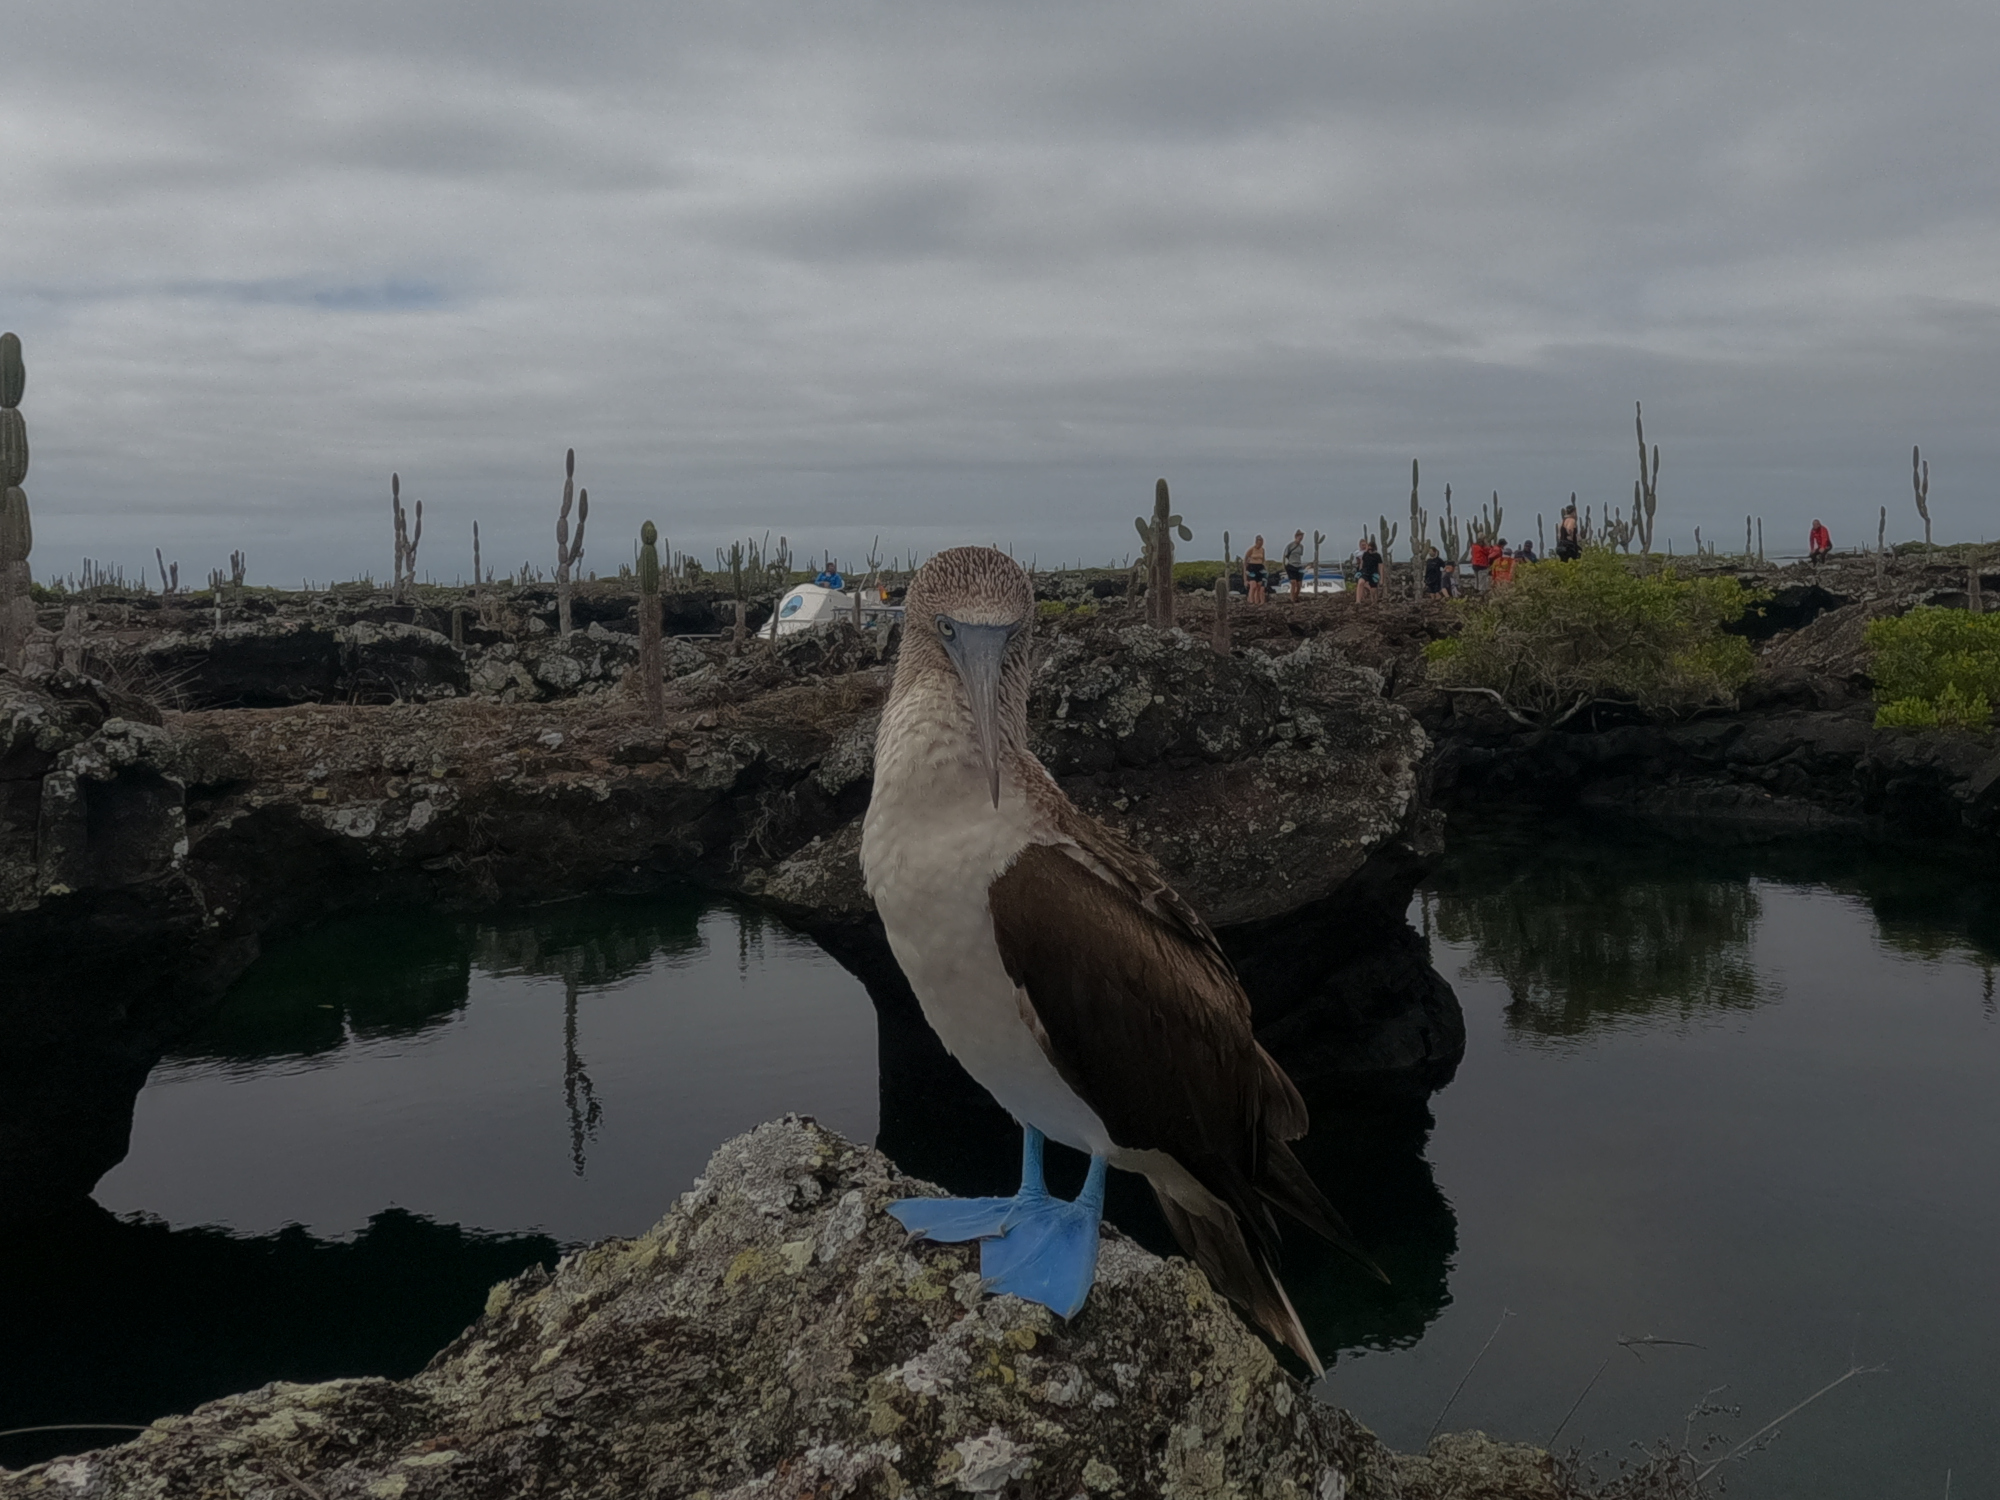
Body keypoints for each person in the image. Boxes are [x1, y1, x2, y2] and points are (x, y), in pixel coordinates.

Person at [1358, 535, 1382, 603]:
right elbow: (1361, 563)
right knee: (1363, 584)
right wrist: (1360, 570)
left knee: (1373, 587)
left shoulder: (1377, 556)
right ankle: (1366, 599)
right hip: (1365, 570)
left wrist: (1381, 577)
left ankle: (1373, 600)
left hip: (1373, 572)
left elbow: (1380, 566)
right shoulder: (1363, 554)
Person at [1244, 535, 1268, 604]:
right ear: (1256, 542)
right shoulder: (1251, 549)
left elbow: (1263, 560)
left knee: (1259, 586)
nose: (1261, 544)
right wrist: (1245, 572)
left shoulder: (1262, 550)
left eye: (1262, 542)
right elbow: (1245, 560)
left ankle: (1257, 602)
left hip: (1260, 567)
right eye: (1259, 542)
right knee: (1253, 585)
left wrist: (1265, 570)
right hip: (1252, 567)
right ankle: (1250, 601)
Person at [1283, 530, 1306, 600]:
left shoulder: (1301, 547)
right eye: (1300, 536)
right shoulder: (1290, 545)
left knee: (1299, 584)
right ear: (1296, 536)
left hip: (1299, 566)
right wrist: (1285, 565)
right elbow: (1285, 555)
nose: (1301, 537)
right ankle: (1292, 598)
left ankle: (1296, 596)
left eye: (1302, 536)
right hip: (1291, 565)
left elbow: (1300, 555)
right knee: (1293, 583)